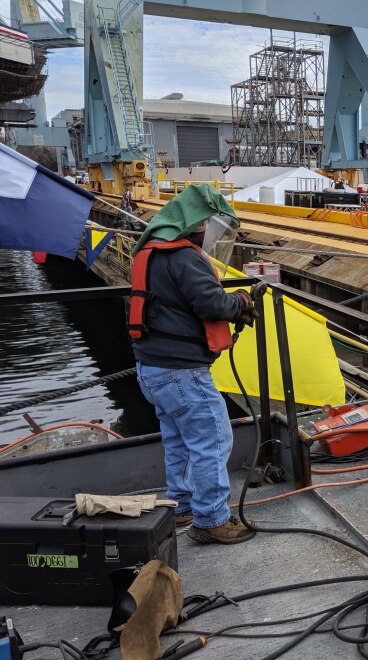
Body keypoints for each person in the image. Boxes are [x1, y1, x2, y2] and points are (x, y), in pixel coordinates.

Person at [129, 184, 258, 545]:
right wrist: (242, 302)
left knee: (178, 440)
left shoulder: (151, 250)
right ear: (195, 223)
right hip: (182, 371)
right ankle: (211, 520)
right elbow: (212, 304)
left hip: (151, 368)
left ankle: (183, 504)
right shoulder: (183, 256)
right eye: (208, 226)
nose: (209, 234)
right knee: (212, 439)